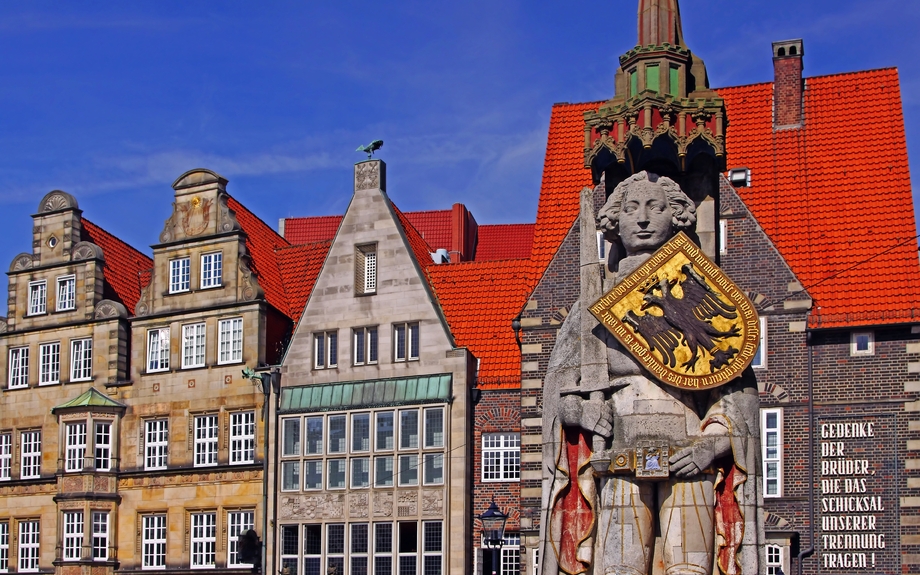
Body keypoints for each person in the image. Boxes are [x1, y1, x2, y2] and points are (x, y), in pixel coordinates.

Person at [539, 171, 761, 575]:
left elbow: (732, 388)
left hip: (689, 453)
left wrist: (712, 445)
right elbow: (559, 386)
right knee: (619, 567)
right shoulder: (595, 297)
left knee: (691, 567)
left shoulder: (699, 288)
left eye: (655, 207)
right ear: (614, 221)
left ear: (675, 216)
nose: (642, 219)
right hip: (619, 455)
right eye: (631, 208)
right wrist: (581, 412)